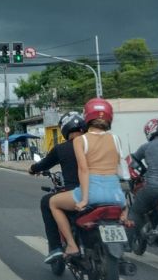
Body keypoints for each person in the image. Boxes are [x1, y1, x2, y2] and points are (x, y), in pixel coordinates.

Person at [49, 98, 126, 258]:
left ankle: (71, 245)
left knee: (53, 202)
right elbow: (122, 171)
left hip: (93, 192)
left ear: (87, 117)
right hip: (116, 195)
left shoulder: (80, 140)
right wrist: (125, 205)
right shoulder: (115, 139)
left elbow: (83, 170)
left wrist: (84, 199)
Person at [29, 111, 86, 263]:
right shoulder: (94, 144)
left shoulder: (61, 149)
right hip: (103, 193)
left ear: (65, 130)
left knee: (46, 202)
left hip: (77, 194)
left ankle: (56, 247)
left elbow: (43, 164)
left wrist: (33, 169)